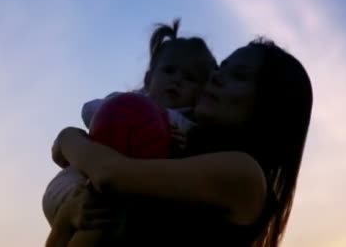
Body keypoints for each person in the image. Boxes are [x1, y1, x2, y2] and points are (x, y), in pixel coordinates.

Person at [51, 37, 313, 246]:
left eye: (239, 76)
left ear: (270, 107)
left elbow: (110, 173)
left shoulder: (245, 174)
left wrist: (68, 139)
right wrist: (69, 216)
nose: (216, 77)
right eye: (221, 68)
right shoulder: (176, 152)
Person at [43, 19, 217, 246]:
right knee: (88, 201)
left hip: (121, 190)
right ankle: (74, 207)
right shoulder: (130, 102)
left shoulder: (188, 125)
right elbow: (90, 111)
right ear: (148, 78)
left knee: (108, 216)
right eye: (169, 70)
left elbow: (185, 157)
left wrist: (181, 144)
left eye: (190, 77)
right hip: (77, 180)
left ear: (201, 93)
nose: (177, 79)